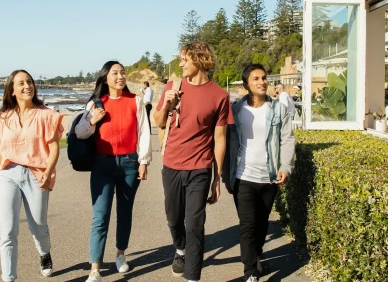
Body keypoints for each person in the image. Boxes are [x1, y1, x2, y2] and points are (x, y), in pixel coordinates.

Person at [154, 42, 231, 282]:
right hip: (172, 165)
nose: (181, 63)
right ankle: (180, 249)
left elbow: (219, 139)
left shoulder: (220, 96)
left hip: (200, 168)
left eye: (184, 59)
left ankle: (193, 277)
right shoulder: (172, 86)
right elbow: (158, 122)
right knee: (173, 218)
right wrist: (167, 103)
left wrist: (216, 178)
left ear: (198, 60)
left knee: (195, 224)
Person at [75, 61, 152, 282]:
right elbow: (80, 133)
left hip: (130, 164)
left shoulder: (135, 101)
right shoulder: (96, 103)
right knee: (100, 217)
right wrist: (93, 119)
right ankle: (95, 268)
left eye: (122, 72)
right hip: (102, 165)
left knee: (125, 213)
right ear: (105, 77)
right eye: (115, 73)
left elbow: (144, 132)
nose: (120, 76)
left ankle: (120, 254)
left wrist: (144, 161)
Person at [0, 70, 63, 282]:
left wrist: (48, 172)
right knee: (7, 230)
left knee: (38, 225)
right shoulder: (3, 116)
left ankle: (44, 253)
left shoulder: (46, 115)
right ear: (12, 90)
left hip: (36, 174)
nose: (27, 86)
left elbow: (54, 147)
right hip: (8, 174)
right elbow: (0, 150)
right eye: (21, 83)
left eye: (29, 82)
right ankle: (9, 277)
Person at [223, 65, 294, 282]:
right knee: (247, 225)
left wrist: (285, 166)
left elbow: (287, 139)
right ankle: (250, 272)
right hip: (243, 177)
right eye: (256, 78)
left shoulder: (279, 109)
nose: (262, 82)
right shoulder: (235, 110)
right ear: (246, 84)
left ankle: (256, 255)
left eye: (264, 78)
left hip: (269, 177)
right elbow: (225, 143)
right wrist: (226, 175)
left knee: (262, 224)